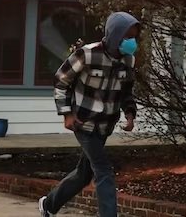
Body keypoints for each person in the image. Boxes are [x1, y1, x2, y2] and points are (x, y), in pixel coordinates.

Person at [39, 12, 139, 217]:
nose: (132, 42)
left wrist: (129, 115)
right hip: (82, 123)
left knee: (84, 174)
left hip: (105, 126)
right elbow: (61, 81)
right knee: (104, 171)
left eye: (134, 37)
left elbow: (126, 92)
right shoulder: (87, 54)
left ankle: (48, 205)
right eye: (127, 37)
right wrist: (66, 114)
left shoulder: (128, 61)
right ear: (114, 35)